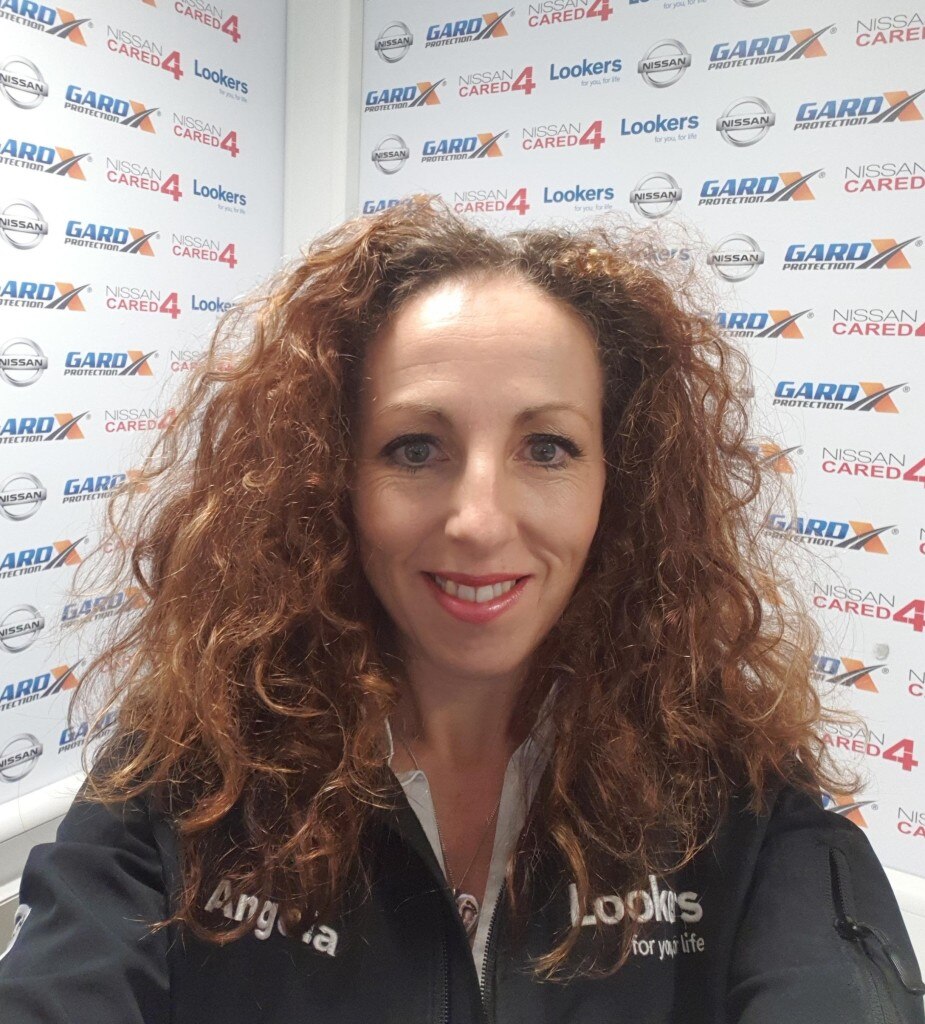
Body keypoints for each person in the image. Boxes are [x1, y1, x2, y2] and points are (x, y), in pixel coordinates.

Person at [1, 197, 922, 1024]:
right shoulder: (189, 775)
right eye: (414, 448)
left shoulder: (736, 795)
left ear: (619, 484)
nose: (478, 521)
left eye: (547, 448)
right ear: (331, 479)